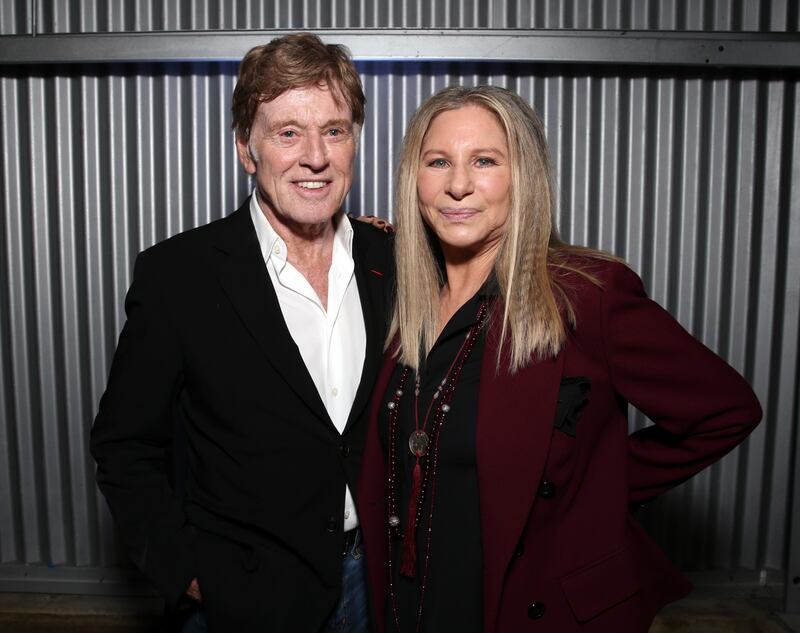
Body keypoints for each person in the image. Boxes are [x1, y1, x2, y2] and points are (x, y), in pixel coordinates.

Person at [356, 85, 762, 633]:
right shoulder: (402, 299)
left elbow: (725, 410)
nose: (457, 184)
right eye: (438, 162)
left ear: (523, 176)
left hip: (522, 608)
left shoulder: (585, 295)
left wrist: (594, 492)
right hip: (413, 604)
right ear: (415, 178)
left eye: (485, 161)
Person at [90, 33, 393, 632]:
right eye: (287, 132)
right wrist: (186, 572)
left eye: (335, 130)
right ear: (245, 149)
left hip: (376, 586)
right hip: (246, 599)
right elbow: (125, 446)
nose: (315, 156)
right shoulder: (179, 276)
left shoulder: (396, 258)